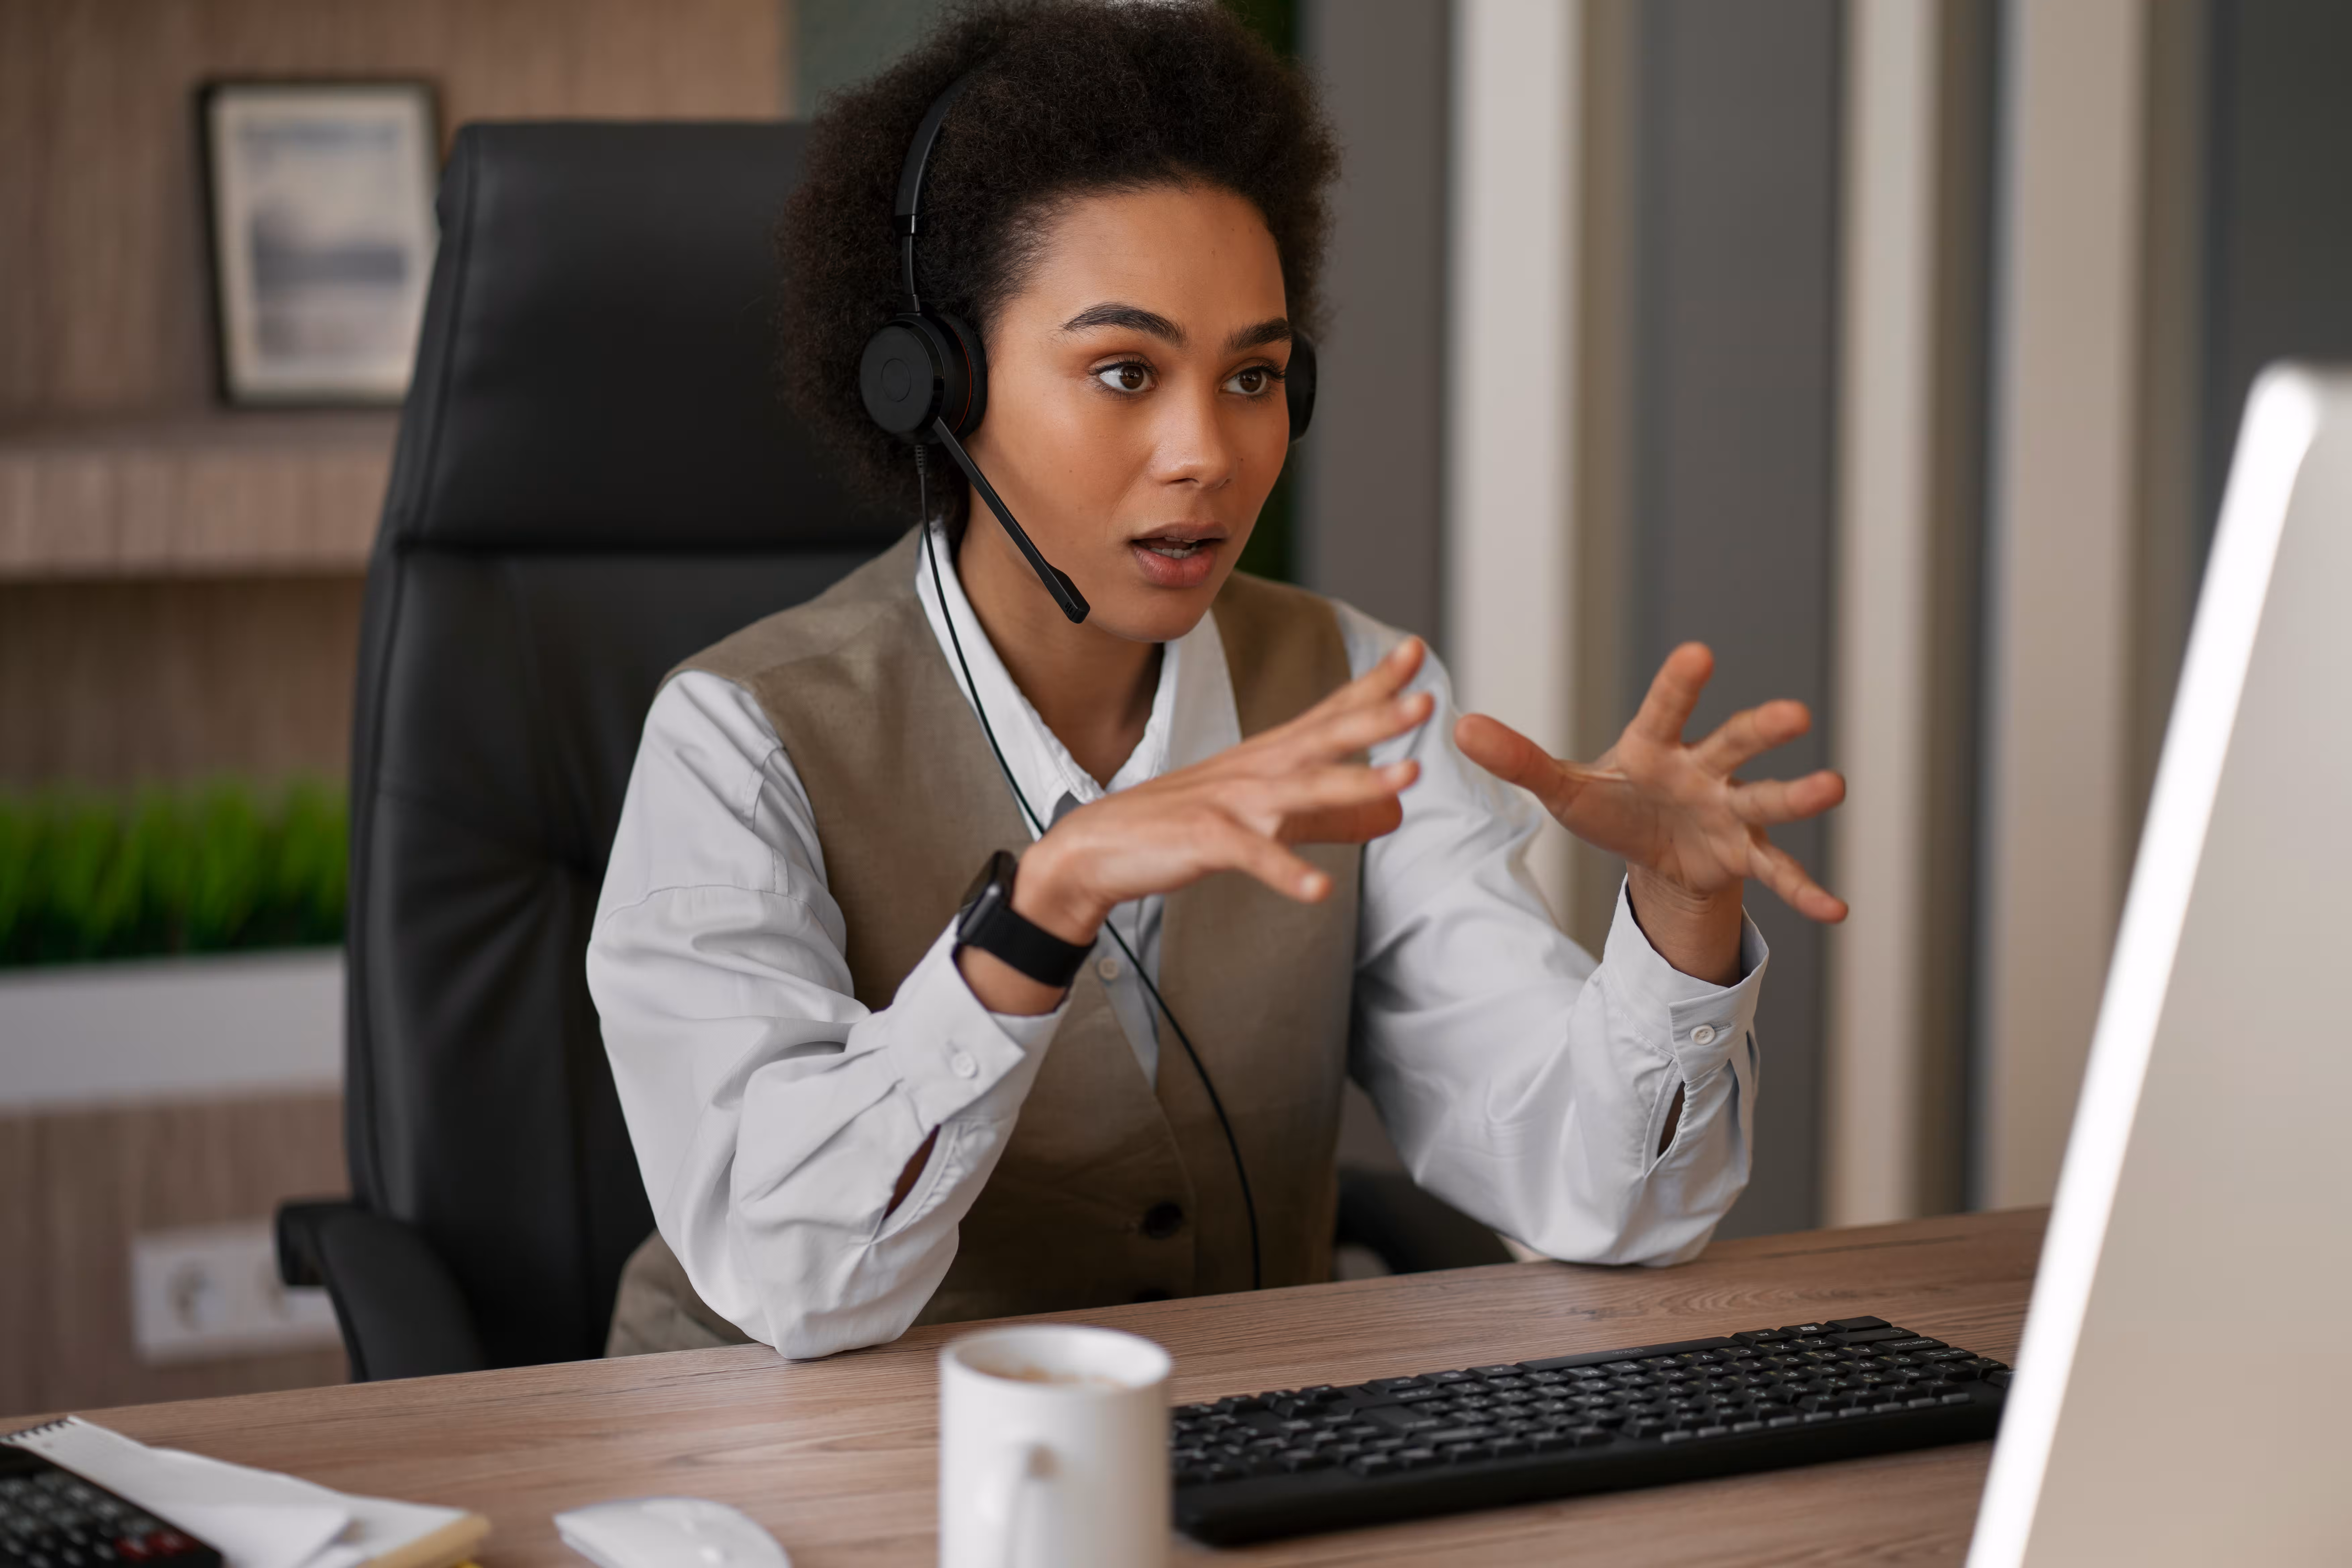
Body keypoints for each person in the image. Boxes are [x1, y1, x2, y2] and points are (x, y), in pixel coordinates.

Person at [586, 0, 1847, 1360]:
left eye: (1253, 376)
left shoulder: (1349, 687)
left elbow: (1607, 1202)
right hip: (802, 1481)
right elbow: (788, 1279)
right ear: (936, 388)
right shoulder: (738, 737)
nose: (1206, 452)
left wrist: (1674, 922)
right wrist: (1035, 916)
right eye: (1124, 371)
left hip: (1233, 1460)